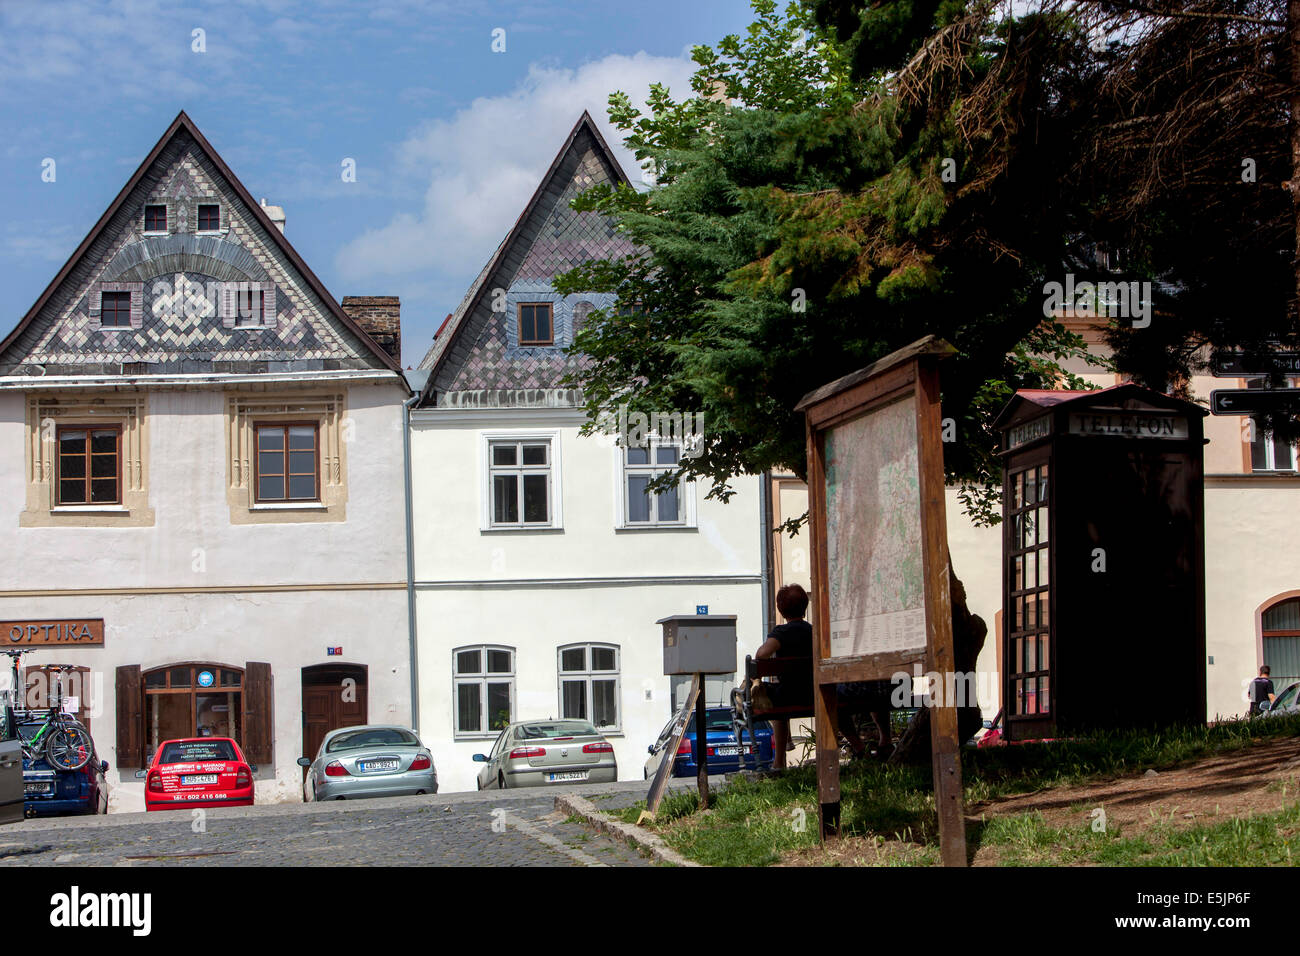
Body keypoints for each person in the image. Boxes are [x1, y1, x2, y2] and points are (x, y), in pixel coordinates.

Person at [755, 584, 813, 769]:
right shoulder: (815, 631)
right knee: (781, 696)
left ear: (781, 609)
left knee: (777, 701)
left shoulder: (782, 632)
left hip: (788, 696)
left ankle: (779, 762)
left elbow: (761, 654)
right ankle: (859, 748)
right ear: (805, 605)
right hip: (814, 693)